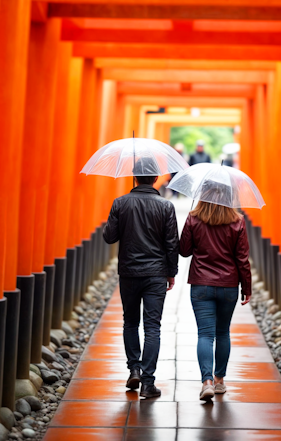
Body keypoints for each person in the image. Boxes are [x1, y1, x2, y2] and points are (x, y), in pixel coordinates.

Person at [103, 158, 179, 398]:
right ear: (156, 179)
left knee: (130, 322)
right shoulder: (166, 206)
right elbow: (172, 244)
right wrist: (171, 272)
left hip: (129, 272)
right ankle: (148, 382)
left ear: (134, 177)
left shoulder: (120, 203)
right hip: (156, 273)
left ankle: (133, 368)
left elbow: (109, 237)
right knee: (152, 327)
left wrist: (119, 218)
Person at [179, 193, 252, 401]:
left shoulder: (194, 218)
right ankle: (219, 380)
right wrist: (246, 287)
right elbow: (242, 258)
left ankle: (206, 382)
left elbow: (183, 251)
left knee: (205, 334)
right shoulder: (237, 221)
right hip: (229, 285)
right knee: (222, 333)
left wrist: (192, 227)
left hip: (201, 283)